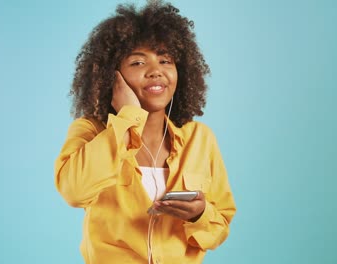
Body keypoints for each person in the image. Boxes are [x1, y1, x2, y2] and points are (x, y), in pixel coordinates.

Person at [55, 1, 236, 263]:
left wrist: (199, 214)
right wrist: (128, 117)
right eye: (138, 62)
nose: (156, 71)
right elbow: (74, 191)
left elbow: (220, 226)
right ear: (112, 76)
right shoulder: (90, 132)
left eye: (165, 60)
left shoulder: (200, 139)